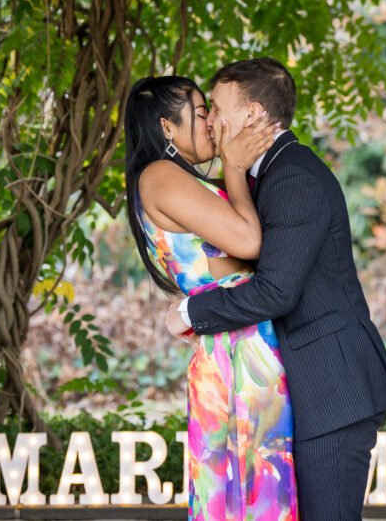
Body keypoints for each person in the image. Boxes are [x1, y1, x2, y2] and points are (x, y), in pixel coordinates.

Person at [165, 58, 386, 520]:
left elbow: (276, 292)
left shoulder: (292, 175)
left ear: (252, 114)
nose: (211, 121)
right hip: (310, 389)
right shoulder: (266, 175)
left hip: (332, 390)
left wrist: (190, 314)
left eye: (216, 107)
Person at [124, 75, 297, 521]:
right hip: (238, 348)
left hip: (234, 340)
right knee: (259, 486)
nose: (211, 123)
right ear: (166, 127)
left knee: (245, 486)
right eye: (202, 113)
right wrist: (235, 167)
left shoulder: (174, 178)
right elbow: (248, 240)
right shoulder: (161, 177)